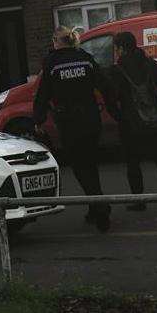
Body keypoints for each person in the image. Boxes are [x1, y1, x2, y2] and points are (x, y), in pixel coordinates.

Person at [34, 26, 117, 232]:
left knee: (80, 167)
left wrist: (38, 119)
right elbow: (105, 85)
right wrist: (115, 111)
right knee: (91, 164)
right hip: (90, 118)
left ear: (57, 40)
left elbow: (43, 93)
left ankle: (100, 207)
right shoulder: (86, 58)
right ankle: (95, 206)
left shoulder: (52, 63)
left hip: (69, 121)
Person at [109, 32, 157, 218]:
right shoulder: (150, 64)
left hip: (130, 125)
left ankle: (139, 200)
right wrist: (155, 108)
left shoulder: (117, 70)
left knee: (133, 164)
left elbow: (112, 98)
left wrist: (120, 116)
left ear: (120, 48)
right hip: (154, 122)